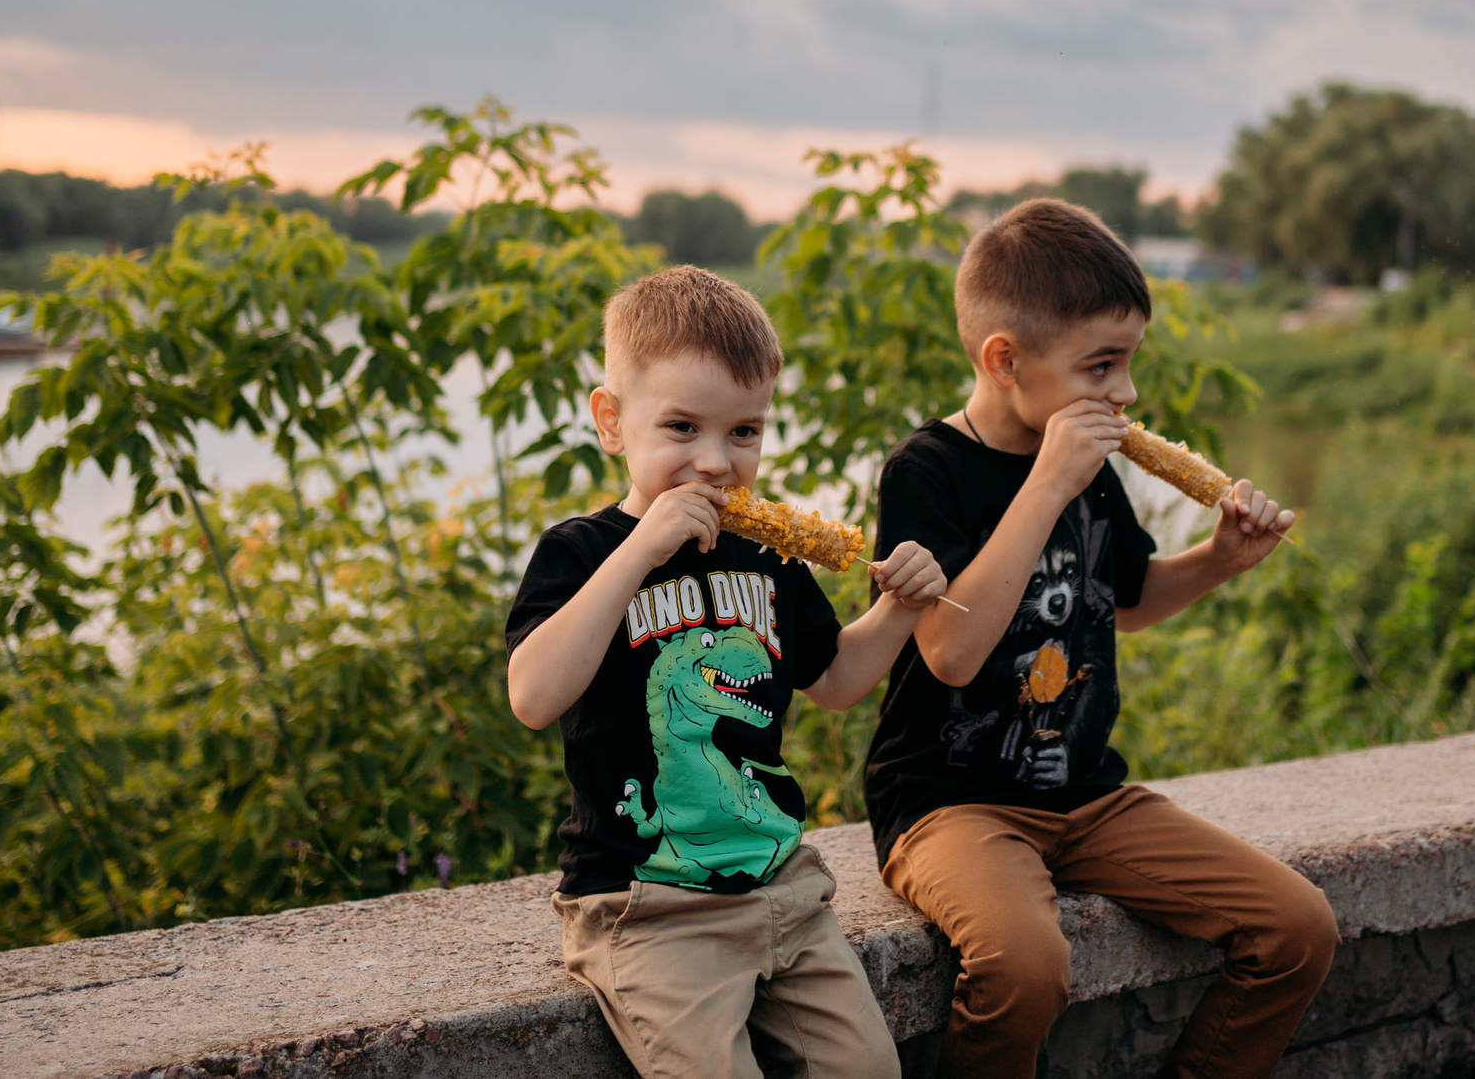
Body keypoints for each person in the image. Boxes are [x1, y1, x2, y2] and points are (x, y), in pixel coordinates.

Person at [864, 199, 1338, 1079]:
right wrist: (1044, 485)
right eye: (1102, 365)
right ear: (1004, 359)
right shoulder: (927, 470)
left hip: (1084, 796)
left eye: (1129, 363)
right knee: (1025, 965)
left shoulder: (1088, 463)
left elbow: (1130, 598)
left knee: (1297, 925)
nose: (1124, 392)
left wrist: (1221, 558)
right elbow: (948, 653)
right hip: (950, 802)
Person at [506, 265, 948, 1079]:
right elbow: (533, 695)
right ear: (612, 421)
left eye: (744, 431)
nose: (716, 461)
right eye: (682, 427)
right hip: (647, 908)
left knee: (870, 1070)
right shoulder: (580, 552)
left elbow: (836, 678)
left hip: (783, 890)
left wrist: (901, 610)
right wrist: (642, 548)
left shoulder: (765, 557)